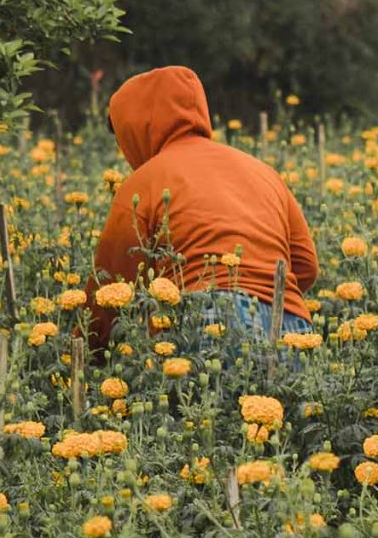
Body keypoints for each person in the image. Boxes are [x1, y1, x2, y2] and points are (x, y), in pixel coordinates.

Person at [87, 66, 317, 354]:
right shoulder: (263, 172)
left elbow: (107, 290)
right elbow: (305, 265)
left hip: (207, 319)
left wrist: (87, 350)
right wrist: (262, 293)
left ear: (136, 128)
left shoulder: (143, 183)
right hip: (291, 325)